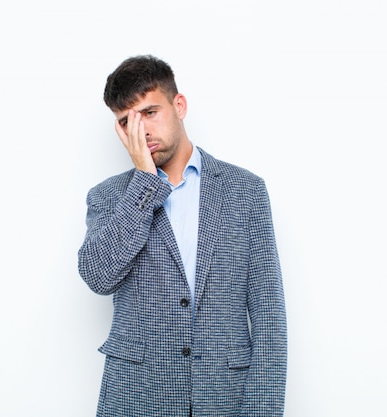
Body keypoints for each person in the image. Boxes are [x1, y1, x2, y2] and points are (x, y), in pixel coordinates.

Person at [78, 55, 287, 417]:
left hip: (224, 397)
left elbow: (269, 318)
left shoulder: (246, 191)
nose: (139, 131)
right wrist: (144, 182)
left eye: (150, 112)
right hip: (136, 398)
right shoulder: (109, 197)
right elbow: (98, 277)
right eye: (126, 121)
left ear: (180, 106)